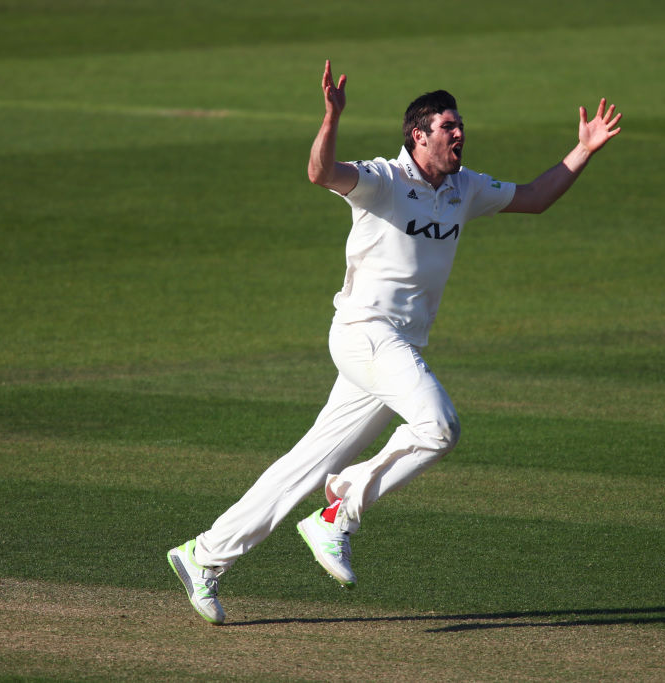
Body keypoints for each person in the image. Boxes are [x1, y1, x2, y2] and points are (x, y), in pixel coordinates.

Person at [168, 60, 622, 625]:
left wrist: (582, 151)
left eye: (461, 126)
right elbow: (320, 172)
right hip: (365, 333)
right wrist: (331, 117)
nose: (459, 134)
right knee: (440, 427)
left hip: (398, 346)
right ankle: (338, 515)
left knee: (306, 464)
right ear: (419, 135)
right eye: (448, 127)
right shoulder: (382, 179)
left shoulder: (465, 187)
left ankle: (203, 555)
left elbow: (533, 197)